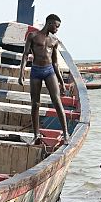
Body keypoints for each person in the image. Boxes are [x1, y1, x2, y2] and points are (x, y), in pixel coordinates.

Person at [17, 14, 70, 143]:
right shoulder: (33, 36)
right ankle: (36, 135)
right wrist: (21, 73)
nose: (57, 29)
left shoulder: (54, 41)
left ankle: (66, 133)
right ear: (50, 23)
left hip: (49, 71)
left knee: (57, 101)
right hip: (36, 71)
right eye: (56, 26)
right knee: (35, 104)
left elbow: (55, 63)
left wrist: (62, 82)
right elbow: (25, 55)